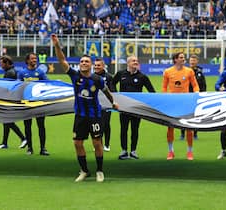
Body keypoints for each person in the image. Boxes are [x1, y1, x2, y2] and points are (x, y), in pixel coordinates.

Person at [52, 34, 118, 182]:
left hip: (95, 115)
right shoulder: (74, 76)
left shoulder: (97, 79)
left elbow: (107, 92)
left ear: (91, 65)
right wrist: (57, 45)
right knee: (77, 143)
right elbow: (62, 60)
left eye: (86, 61)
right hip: (80, 116)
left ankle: (100, 171)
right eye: (81, 61)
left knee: (97, 143)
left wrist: (113, 102)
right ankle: (84, 171)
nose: (83, 63)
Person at [112, 55, 156, 160]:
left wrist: (146, 102)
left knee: (135, 129)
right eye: (133, 61)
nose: (136, 62)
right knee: (124, 129)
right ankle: (123, 151)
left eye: (136, 60)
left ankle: (133, 151)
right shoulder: (120, 74)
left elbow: (152, 91)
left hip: (137, 108)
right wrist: (116, 95)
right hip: (123, 107)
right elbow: (112, 83)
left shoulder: (142, 77)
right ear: (128, 63)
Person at [162, 52, 199, 161]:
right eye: (181, 57)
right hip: (172, 103)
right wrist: (165, 98)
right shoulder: (168, 72)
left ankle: (190, 152)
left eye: (183, 57)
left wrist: (197, 92)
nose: (184, 59)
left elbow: (195, 85)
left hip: (186, 103)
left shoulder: (189, 71)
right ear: (175, 59)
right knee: (170, 127)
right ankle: (170, 151)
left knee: (188, 127)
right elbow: (164, 87)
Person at [0, 55, 27, 150]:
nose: (1, 66)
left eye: (1, 63)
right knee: (6, 121)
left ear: (7, 63)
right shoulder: (12, 71)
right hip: (13, 99)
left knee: (7, 121)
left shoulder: (9, 73)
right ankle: (5, 143)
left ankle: (23, 138)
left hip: (9, 100)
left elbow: (4, 88)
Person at [17, 52, 49, 156]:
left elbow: (47, 84)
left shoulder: (40, 72)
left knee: (41, 126)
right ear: (27, 61)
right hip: (27, 103)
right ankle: (30, 148)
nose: (34, 60)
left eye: (35, 59)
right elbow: (18, 86)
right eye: (32, 59)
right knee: (27, 126)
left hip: (39, 103)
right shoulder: (22, 73)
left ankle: (43, 148)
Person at [180, 54, 207, 140]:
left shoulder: (200, 72)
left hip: (196, 97)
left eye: (194, 60)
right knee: (184, 115)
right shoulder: (185, 71)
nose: (192, 62)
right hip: (186, 96)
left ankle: (195, 133)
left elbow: (203, 85)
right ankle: (182, 134)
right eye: (191, 60)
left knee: (196, 115)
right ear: (189, 61)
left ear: (197, 62)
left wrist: (202, 95)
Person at [93, 57, 114, 152]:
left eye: (98, 65)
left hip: (106, 104)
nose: (96, 67)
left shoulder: (108, 77)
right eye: (95, 65)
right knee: (96, 124)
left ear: (103, 66)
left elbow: (113, 91)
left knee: (105, 124)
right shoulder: (91, 76)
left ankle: (107, 144)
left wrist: (112, 102)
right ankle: (98, 144)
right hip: (94, 104)